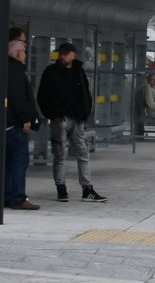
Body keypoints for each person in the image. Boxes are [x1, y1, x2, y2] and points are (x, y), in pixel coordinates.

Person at [36, 42, 106, 203]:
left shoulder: (79, 72)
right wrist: (52, 114)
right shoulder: (51, 72)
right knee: (60, 154)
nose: (62, 56)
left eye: (65, 53)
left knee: (83, 153)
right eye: (60, 53)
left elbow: (86, 94)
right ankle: (61, 189)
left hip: (77, 119)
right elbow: (42, 97)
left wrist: (85, 113)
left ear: (73, 55)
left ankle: (87, 189)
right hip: (59, 119)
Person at [1, 28, 40, 212]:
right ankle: (17, 197)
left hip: (4, 123)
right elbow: (19, 98)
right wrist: (26, 119)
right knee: (18, 161)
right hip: (15, 124)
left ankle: (6, 196)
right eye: (24, 51)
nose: (26, 54)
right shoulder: (16, 71)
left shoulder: (0, 68)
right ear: (18, 53)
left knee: (7, 162)